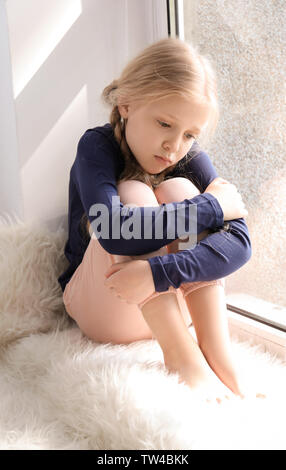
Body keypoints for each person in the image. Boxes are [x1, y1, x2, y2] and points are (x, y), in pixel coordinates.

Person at [58, 37, 258, 403]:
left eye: (189, 134)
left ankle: (216, 354)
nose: (174, 146)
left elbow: (240, 246)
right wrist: (214, 207)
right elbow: (115, 232)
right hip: (105, 303)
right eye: (164, 123)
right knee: (134, 193)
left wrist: (156, 273)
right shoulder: (96, 146)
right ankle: (182, 359)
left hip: (164, 298)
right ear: (127, 103)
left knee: (181, 187)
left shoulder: (187, 156)